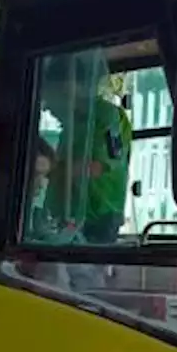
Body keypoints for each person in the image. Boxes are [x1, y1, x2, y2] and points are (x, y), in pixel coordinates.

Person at [40, 51, 133, 244]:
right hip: (68, 220)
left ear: (68, 88)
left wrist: (45, 169)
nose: (46, 107)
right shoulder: (71, 125)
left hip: (96, 222)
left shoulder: (106, 116)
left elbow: (95, 168)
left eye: (50, 96)